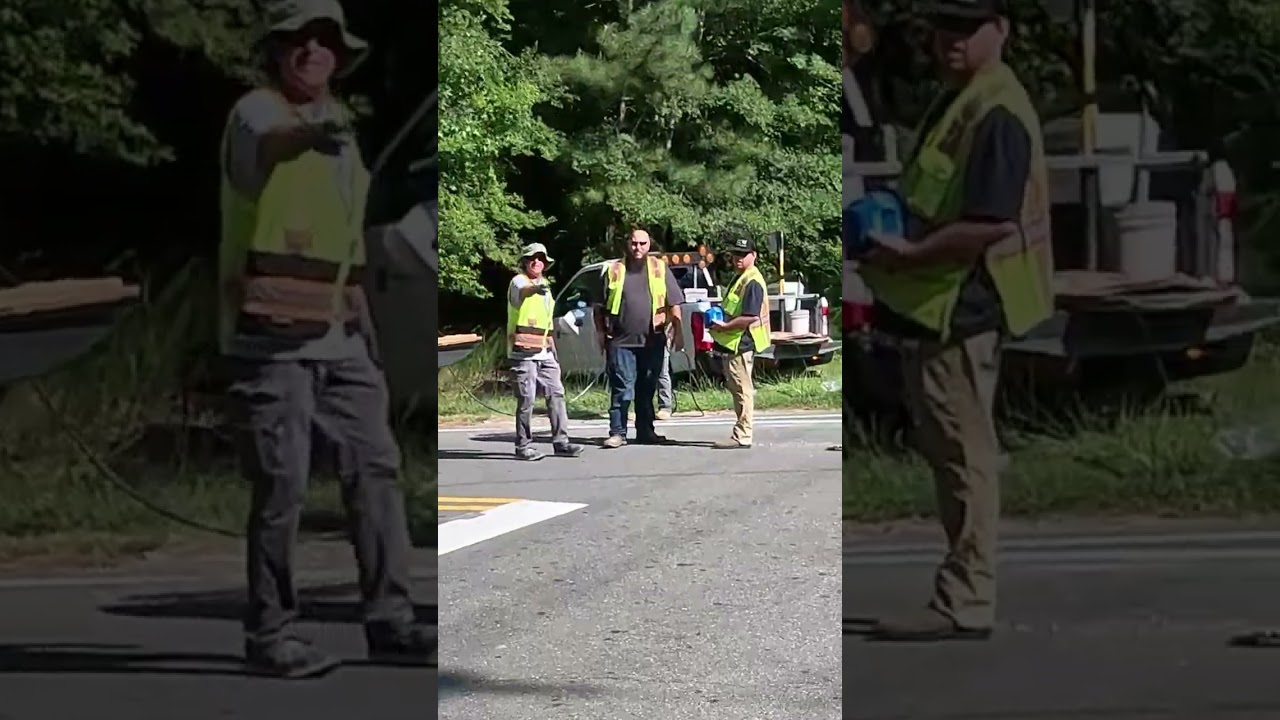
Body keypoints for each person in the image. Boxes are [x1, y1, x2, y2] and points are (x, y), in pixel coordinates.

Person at [218, 0, 432, 677]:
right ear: (278, 51)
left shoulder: (342, 135)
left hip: (342, 338)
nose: (314, 51)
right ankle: (271, 635)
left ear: (341, 54)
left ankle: (391, 621)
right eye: (300, 40)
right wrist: (306, 136)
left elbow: (345, 250)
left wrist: (366, 329)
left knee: (377, 471)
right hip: (272, 339)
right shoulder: (257, 112)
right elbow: (268, 148)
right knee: (281, 487)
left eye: (327, 41)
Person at [855, 0, 1053, 641]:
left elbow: (990, 223)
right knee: (952, 455)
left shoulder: (995, 111)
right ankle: (963, 595)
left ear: (1003, 28)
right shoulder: (963, 97)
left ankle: (965, 600)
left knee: (965, 458)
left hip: (961, 308)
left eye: (967, 29)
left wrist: (911, 251)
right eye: (943, 28)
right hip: (939, 307)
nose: (950, 41)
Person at [595, 229, 684, 448]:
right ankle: (618, 432)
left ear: (649, 244)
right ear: (627, 244)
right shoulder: (614, 269)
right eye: (634, 243)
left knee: (647, 388)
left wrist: (678, 332)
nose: (638, 248)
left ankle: (646, 431)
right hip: (620, 341)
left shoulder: (659, 268)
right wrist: (599, 334)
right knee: (622, 388)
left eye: (642, 243)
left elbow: (674, 304)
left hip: (652, 340)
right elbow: (598, 307)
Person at [508, 243, 584, 461]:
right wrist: (533, 289)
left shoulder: (546, 286)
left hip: (544, 351)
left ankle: (561, 442)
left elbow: (546, 318)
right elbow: (520, 294)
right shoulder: (519, 281)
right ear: (525, 261)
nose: (537, 262)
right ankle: (523, 446)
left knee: (556, 394)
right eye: (533, 258)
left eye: (541, 258)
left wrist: (552, 344)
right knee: (526, 400)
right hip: (523, 352)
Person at [707, 235, 772, 449]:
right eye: (736, 254)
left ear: (754, 256)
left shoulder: (752, 280)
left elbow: (750, 316)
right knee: (737, 388)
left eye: (743, 255)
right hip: (734, 342)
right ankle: (741, 432)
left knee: (742, 389)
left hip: (741, 342)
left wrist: (724, 326)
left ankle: (743, 434)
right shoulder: (741, 276)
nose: (738, 258)